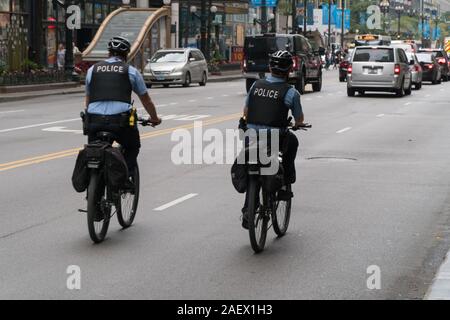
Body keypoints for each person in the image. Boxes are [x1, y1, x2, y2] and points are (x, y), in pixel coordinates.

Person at [240, 50, 307, 229]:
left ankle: (248, 208)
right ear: (289, 70)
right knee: (292, 142)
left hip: (251, 137)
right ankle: (286, 183)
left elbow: (245, 113)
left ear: (270, 67)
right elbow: (299, 120)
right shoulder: (291, 93)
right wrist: (296, 124)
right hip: (275, 139)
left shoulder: (255, 85)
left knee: (250, 168)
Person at [85, 36, 162, 189]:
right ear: (126, 55)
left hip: (94, 122)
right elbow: (146, 100)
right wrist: (154, 118)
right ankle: (124, 178)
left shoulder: (92, 70)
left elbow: (88, 100)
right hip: (119, 123)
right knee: (133, 146)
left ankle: (94, 198)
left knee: (95, 153)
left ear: (108, 53)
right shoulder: (131, 72)